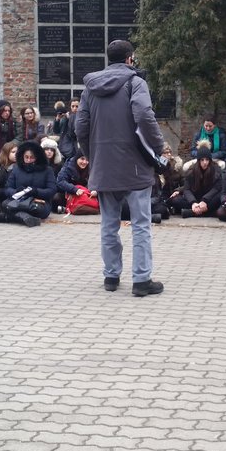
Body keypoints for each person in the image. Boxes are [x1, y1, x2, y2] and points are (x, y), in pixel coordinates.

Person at [75, 39, 166, 297]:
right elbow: (144, 115)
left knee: (108, 224)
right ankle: (141, 280)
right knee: (140, 225)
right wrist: (158, 146)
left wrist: (93, 155)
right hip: (135, 166)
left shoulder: (90, 88)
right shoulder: (135, 82)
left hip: (104, 166)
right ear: (130, 58)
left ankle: (111, 276)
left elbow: (80, 127)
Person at [0, 140, 56, 226]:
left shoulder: (47, 170)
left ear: (37, 157)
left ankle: (6, 217)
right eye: (26, 157)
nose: (29, 160)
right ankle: (24, 217)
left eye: (32, 157)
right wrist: (16, 191)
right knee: (5, 204)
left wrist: (36, 191)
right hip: (19, 200)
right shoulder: (17, 169)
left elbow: (51, 191)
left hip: (38, 202)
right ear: (22, 156)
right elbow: (7, 189)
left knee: (36, 209)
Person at [168, 144, 223, 218]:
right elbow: (187, 189)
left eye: (207, 160)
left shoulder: (216, 170)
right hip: (195, 198)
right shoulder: (192, 171)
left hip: (209, 199)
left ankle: (192, 212)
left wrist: (204, 201)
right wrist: (193, 202)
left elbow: (216, 188)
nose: (205, 162)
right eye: (202, 160)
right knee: (175, 200)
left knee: (220, 196)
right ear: (198, 161)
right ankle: (204, 212)